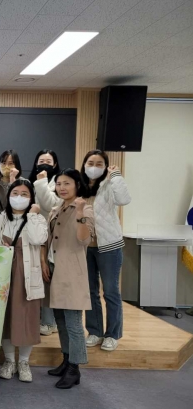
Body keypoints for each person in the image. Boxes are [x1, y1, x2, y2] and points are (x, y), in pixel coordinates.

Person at [0, 179, 47, 383]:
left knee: (27, 318)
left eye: (24, 194)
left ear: (31, 198)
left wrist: (32, 215)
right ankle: (9, 361)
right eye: (15, 193)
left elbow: (38, 239)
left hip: (28, 275)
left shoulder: (38, 219)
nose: (19, 197)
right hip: (3, 274)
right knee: (6, 318)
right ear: (8, 196)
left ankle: (24, 361)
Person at [46, 169, 94, 389]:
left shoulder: (85, 208)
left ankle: (75, 368)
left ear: (77, 185)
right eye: (58, 184)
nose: (62, 188)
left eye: (67, 183)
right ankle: (66, 360)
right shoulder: (56, 209)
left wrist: (81, 213)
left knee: (73, 323)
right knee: (61, 321)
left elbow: (84, 240)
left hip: (72, 272)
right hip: (55, 270)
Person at [81, 150, 131, 352]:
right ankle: (95, 331)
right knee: (90, 291)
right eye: (90, 163)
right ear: (84, 165)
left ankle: (112, 334)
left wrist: (116, 176)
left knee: (110, 291)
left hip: (109, 246)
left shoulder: (110, 185)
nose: (94, 167)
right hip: (85, 247)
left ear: (105, 166)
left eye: (99, 163)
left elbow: (124, 199)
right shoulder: (79, 186)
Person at [30, 149, 61, 337]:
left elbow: (50, 205)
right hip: (32, 234)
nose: (44, 164)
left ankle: (49, 322)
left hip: (50, 237)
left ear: (55, 164)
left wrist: (42, 182)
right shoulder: (31, 181)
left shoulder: (58, 182)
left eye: (48, 161)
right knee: (36, 278)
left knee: (47, 278)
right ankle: (43, 319)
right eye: (41, 160)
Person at [0, 150, 22, 215]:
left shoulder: (23, 183)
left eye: (10, 163)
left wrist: (12, 181)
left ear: (16, 165)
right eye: (3, 163)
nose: (6, 166)